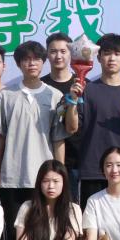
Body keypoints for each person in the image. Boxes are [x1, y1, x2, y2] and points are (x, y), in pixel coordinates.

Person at [0, 40, 72, 240]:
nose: (31, 63)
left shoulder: (55, 95)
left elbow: (58, 139)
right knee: (13, 231)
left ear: (43, 62)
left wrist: (60, 173)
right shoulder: (6, 95)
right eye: (26, 59)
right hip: (13, 176)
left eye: (36, 59)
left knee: (44, 230)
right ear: (18, 64)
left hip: (44, 179)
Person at [71, 34, 120, 204]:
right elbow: (74, 128)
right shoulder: (87, 90)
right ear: (98, 57)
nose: (112, 58)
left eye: (117, 53)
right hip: (92, 171)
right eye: (106, 53)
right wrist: (72, 102)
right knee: (90, 220)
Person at [42, 32, 84, 197]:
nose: (58, 56)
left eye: (63, 51)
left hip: (79, 160)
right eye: (53, 51)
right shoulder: (40, 86)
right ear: (47, 54)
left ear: (71, 53)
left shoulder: (81, 84)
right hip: (47, 160)